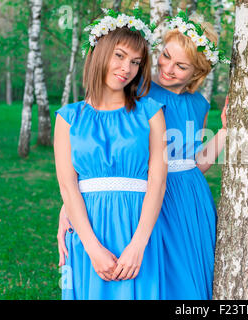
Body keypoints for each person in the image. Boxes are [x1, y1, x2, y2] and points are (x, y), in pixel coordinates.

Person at [57, 11, 228, 299]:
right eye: (165, 56)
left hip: (185, 192)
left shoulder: (199, 104)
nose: (168, 68)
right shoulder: (139, 90)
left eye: (181, 66)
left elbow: (195, 161)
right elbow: (104, 147)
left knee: (187, 274)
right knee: (157, 273)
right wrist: (69, 206)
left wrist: (225, 131)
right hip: (147, 190)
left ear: (196, 73)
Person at [54, 9, 167, 299]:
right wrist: (92, 248)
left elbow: (157, 182)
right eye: (119, 55)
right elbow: (68, 185)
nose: (126, 68)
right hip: (88, 227)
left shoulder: (150, 113)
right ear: (100, 52)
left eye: (135, 62)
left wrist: (138, 245)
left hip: (138, 225)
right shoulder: (68, 117)